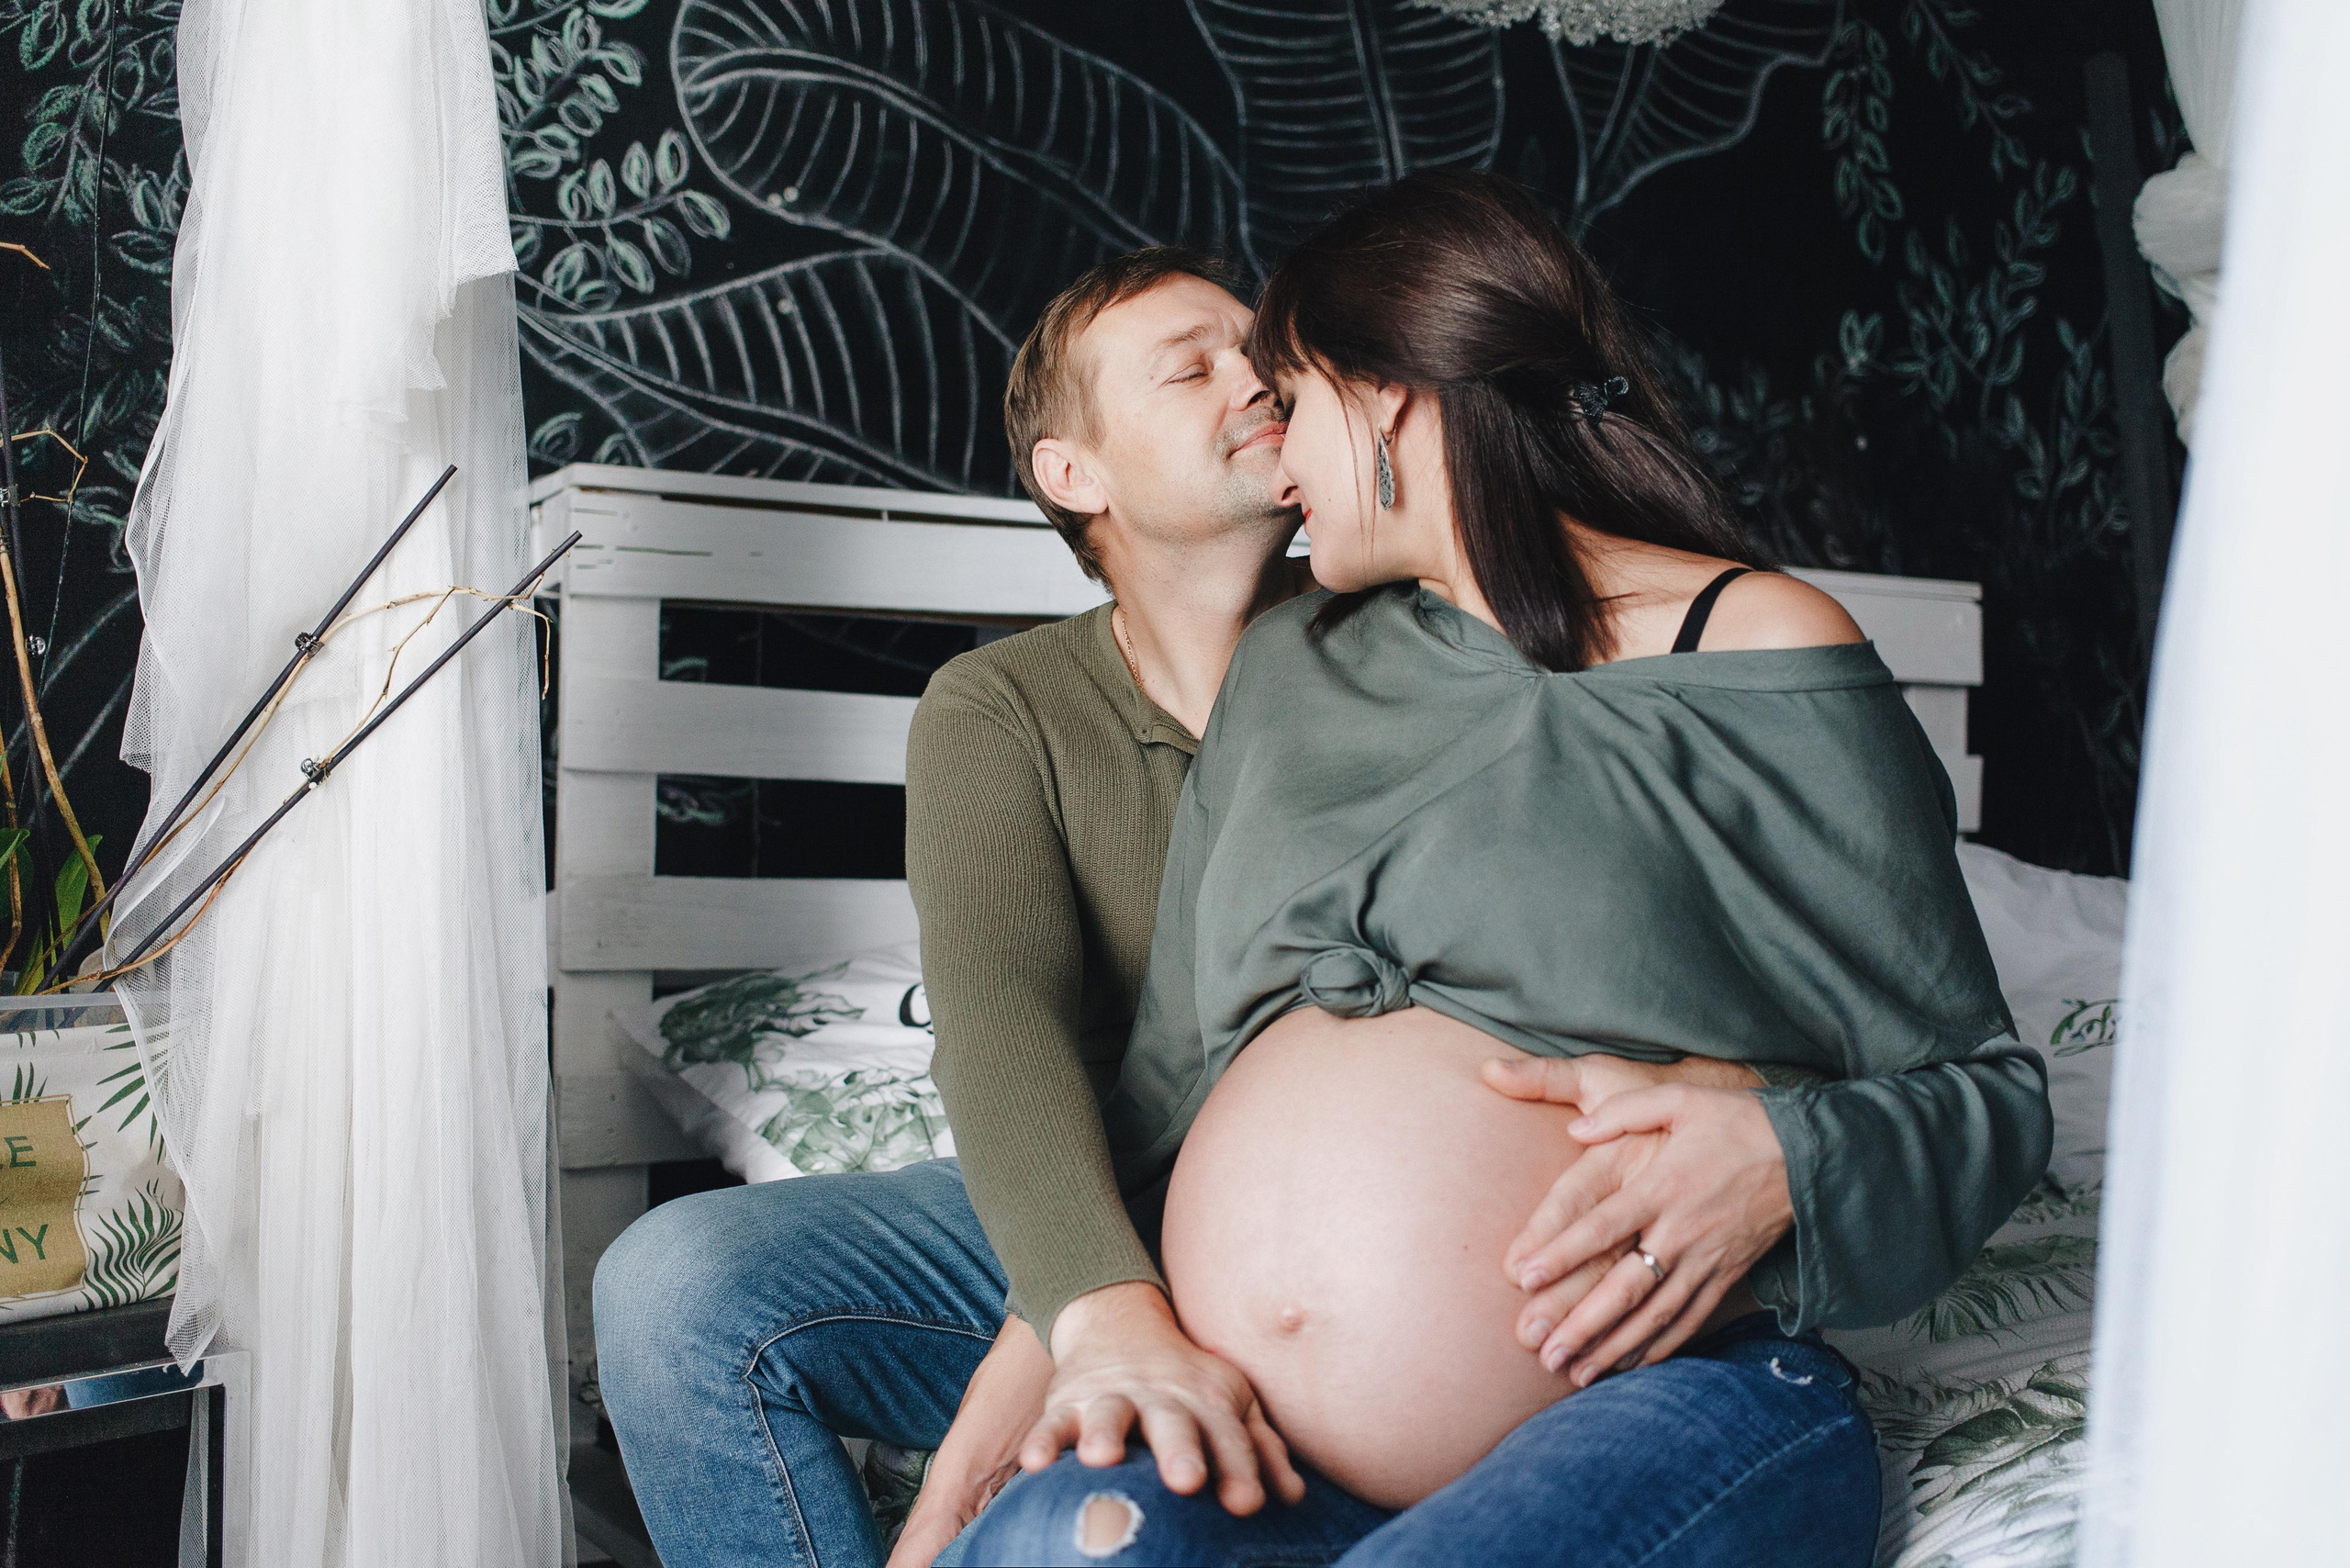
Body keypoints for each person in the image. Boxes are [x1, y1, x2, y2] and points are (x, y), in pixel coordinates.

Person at [590, 245, 1763, 1568]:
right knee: (675, 1284)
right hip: (1092, 1198)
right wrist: (1095, 1305)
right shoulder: (1004, 710)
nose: (1253, 376)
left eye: (1261, 352)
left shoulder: (1431, 644)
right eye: (1186, 364)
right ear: (1072, 474)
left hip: (1358, 1217)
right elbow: (1002, 1026)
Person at [946, 174, 2051, 1565]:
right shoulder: (1297, 666)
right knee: (1058, 1541)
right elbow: (1172, 1072)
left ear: (1389, 398)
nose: (1278, 469)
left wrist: (1786, 1150)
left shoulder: (1758, 644)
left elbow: (1977, 1087)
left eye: (1294, 403)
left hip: (1658, 1397)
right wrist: (1056, 1335)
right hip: (1254, 1440)